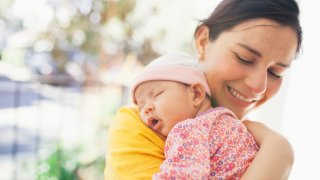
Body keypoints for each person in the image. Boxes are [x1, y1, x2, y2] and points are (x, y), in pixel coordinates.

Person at [105, 0, 302, 179]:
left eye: (276, 72)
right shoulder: (139, 124)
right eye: (244, 58)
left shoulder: (250, 138)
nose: (259, 86)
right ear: (203, 41)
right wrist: (278, 155)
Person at [131, 52, 259, 179]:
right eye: (141, 105)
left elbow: (183, 175)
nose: (146, 109)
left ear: (196, 94)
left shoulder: (187, 130)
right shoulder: (230, 121)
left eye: (157, 94)